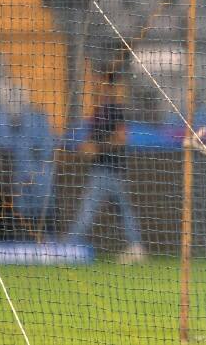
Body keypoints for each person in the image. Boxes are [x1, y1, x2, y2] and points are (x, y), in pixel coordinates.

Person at [64, 61, 146, 264]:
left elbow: (120, 138)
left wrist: (96, 148)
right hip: (104, 168)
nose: (93, 84)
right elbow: (95, 141)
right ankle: (136, 246)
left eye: (96, 80)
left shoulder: (113, 109)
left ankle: (69, 246)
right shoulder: (97, 112)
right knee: (121, 209)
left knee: (88, 208)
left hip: (108, 169)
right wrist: (86, 148)